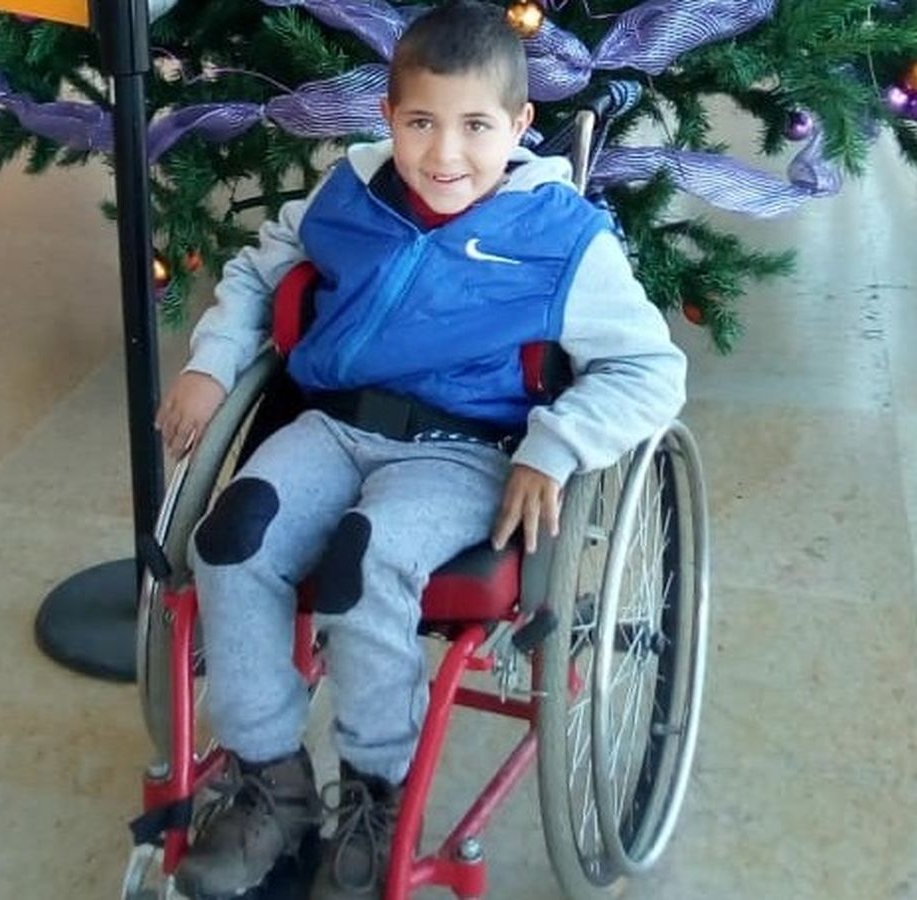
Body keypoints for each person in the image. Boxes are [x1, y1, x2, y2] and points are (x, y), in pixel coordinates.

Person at [154, 2, 686, 897]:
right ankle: (271, 782)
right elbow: (257, 272)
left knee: (365, 566)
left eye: (475, 126)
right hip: (331, 426)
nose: (445, 155)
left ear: (518, 124)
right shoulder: (350, 193)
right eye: (420, 124)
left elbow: (650, 368)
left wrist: (555, 447)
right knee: (229, 542)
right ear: (388, 118)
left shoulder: (561, 236)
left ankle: (375, 792)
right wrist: (212, 365)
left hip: (464, 451)